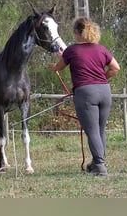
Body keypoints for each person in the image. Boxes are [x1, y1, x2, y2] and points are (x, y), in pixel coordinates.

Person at [48, 17, 120, 176]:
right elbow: (115, 68)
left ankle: (100, 167)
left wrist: (53, 65)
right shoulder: (101, 48)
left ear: (76, 32)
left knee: (92, 130)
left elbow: (59, 67)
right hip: (105, 91)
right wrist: (100, 79)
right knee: (100, 129)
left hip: (86, 93)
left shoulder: (71, 50)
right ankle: (97, 162)